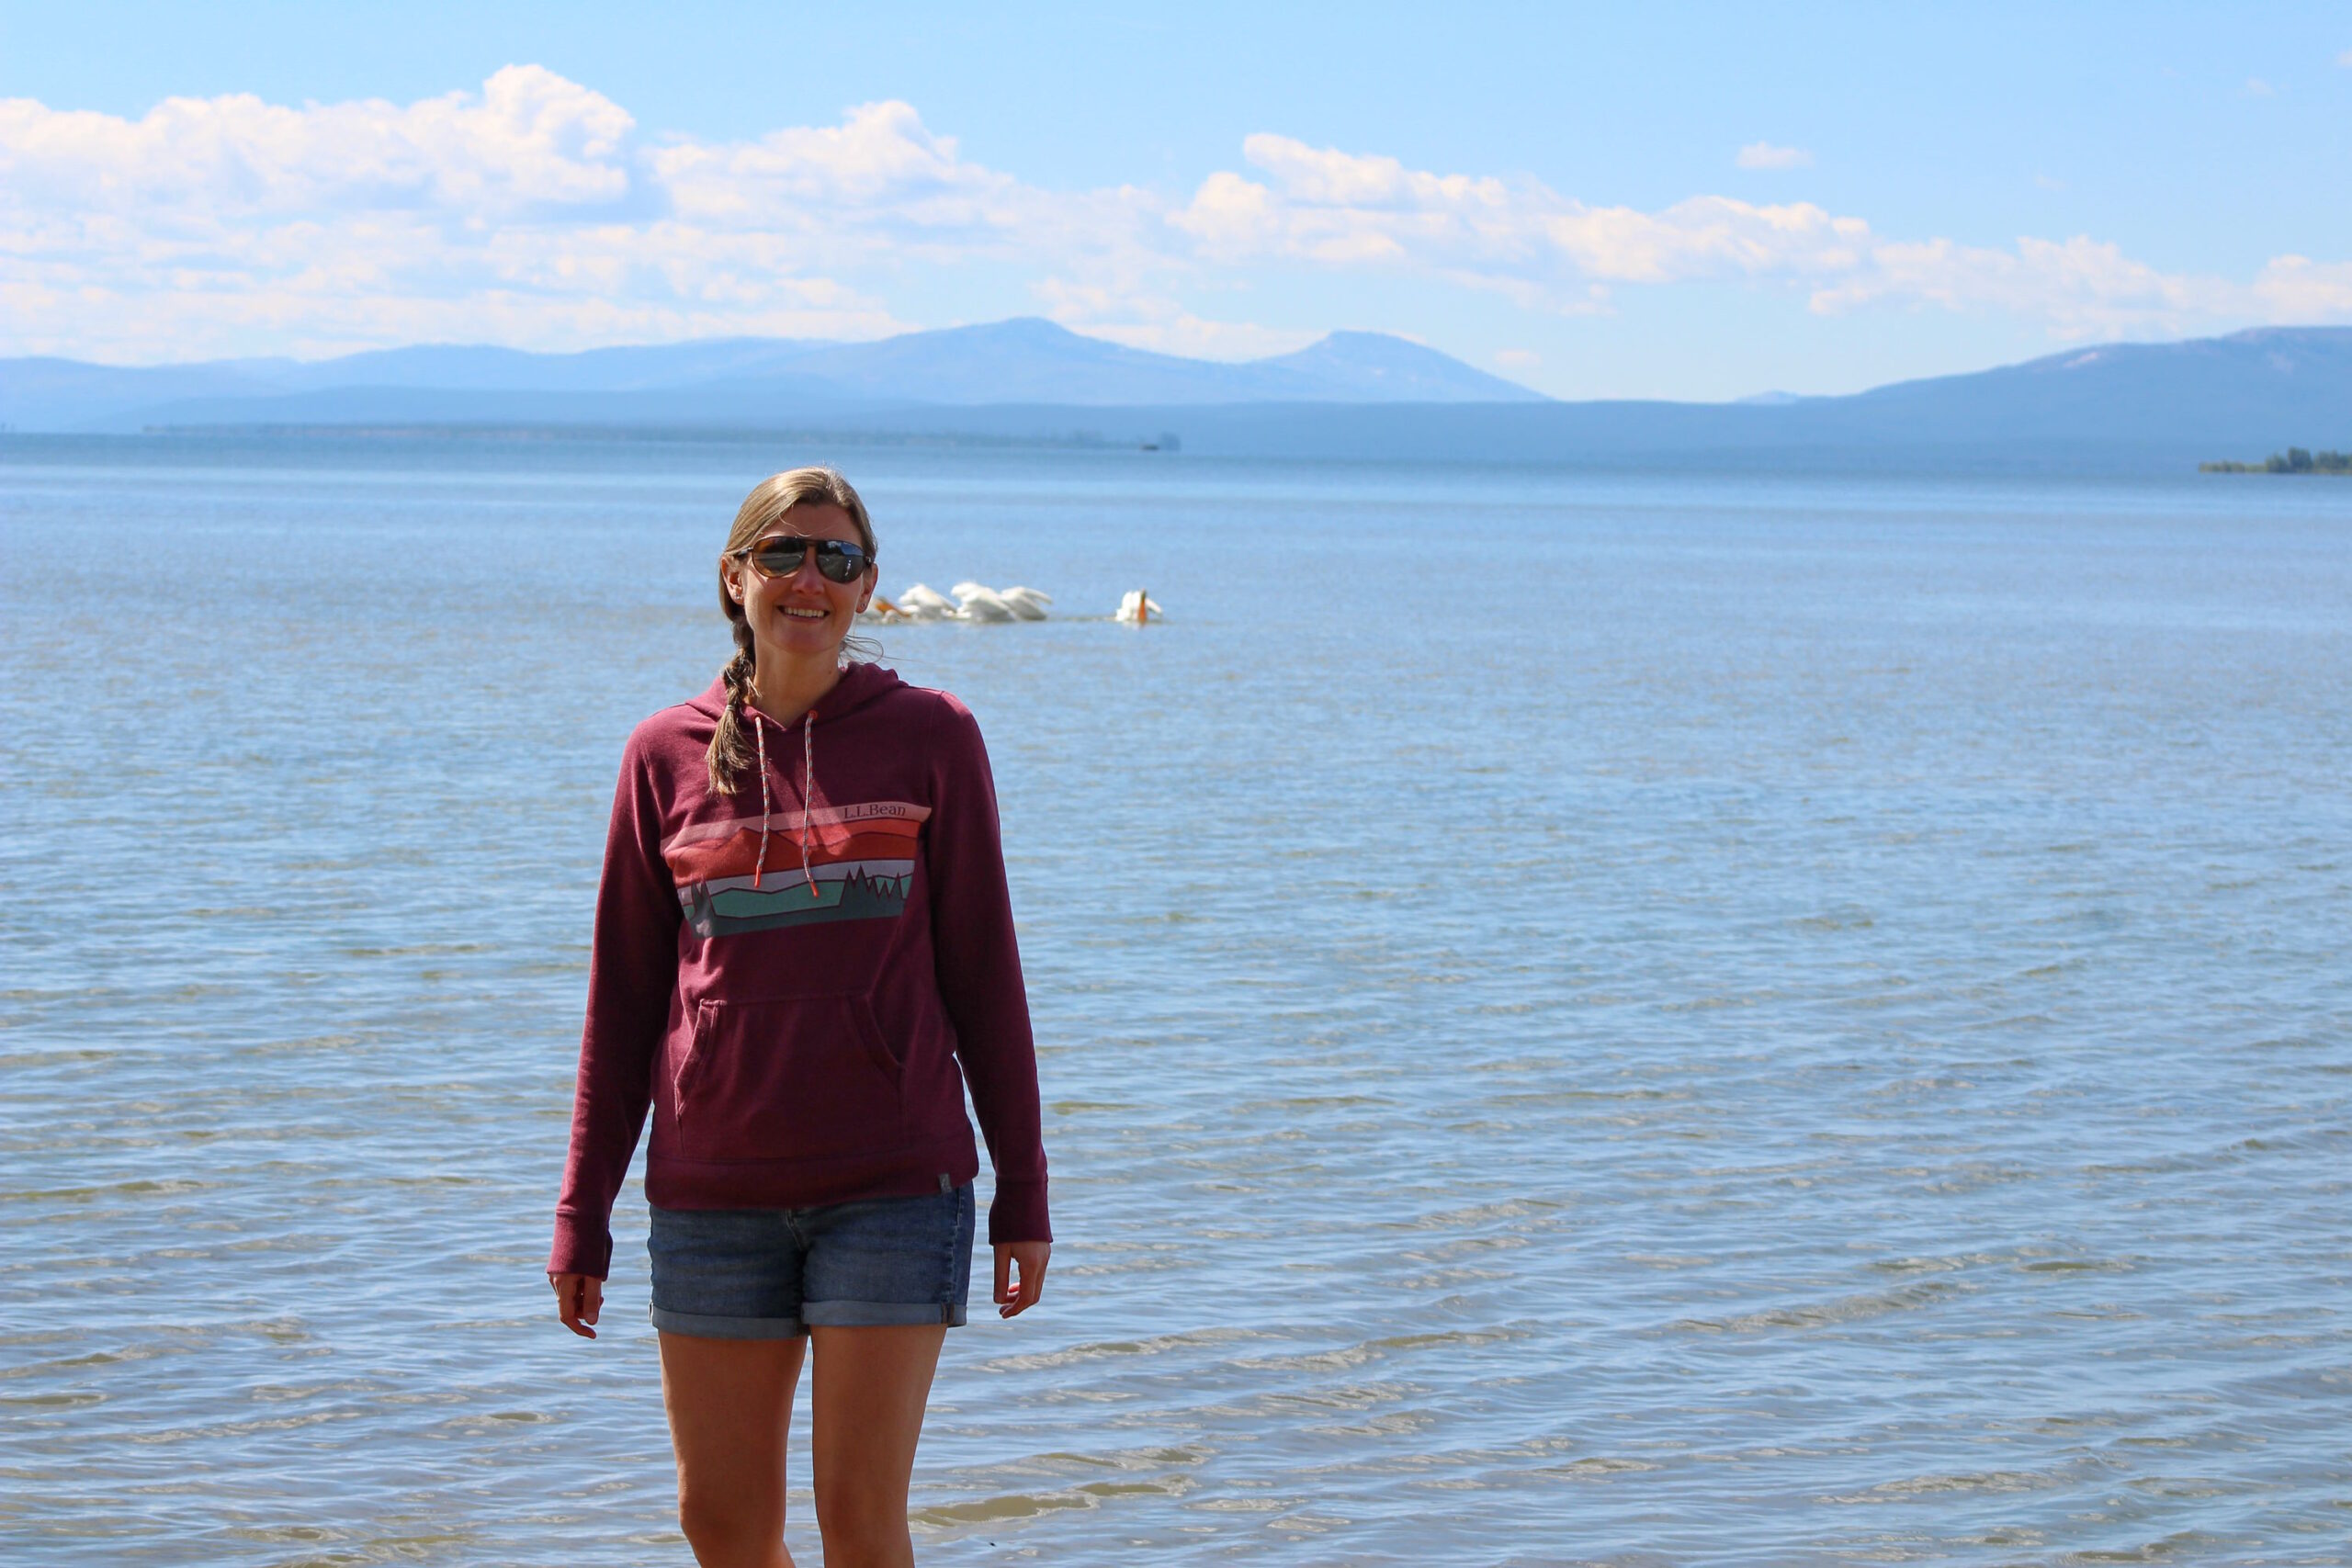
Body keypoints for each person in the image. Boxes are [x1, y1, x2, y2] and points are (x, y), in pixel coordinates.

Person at [547, 467, 1052, 1568]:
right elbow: (622, 1006)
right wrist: (581, 1210)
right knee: (721, 1527)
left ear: (868, 588)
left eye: (837, 558)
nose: (808, 579)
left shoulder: (932, 735)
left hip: (893, 1188)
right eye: (783, 554)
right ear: (736, 579)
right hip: (711, 1195)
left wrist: (1025, 1191)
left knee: (859, 1528)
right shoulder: (660, 756)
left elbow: (985, 977)